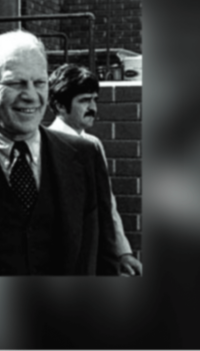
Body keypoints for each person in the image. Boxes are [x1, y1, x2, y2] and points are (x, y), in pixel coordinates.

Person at [0, 30, 120, 275]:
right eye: (16, 83)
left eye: (39, 83)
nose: (31, 96)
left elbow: (105, 254)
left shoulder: (84, 154)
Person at [47, 63, 143, 276]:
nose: (93, 107)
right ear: (60, 105)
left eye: (94, 100)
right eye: (84, 101)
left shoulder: (93, 145)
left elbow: (107, 205)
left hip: (96, 257)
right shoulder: (45, 144)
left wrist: (123, 252)